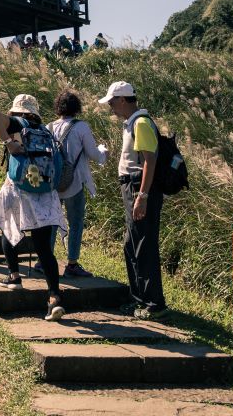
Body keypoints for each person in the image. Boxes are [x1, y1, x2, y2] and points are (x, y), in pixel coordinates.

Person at [0, 94, 67, 322]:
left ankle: (14, 276)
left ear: (17, 111)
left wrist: (8, 142)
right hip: (44, 192)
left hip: (20, 190)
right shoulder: (45, 131)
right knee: (44, 248)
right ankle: (54, 298)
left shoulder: (17, 124)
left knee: (8, 227)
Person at [100, 80, 166, 318]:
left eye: (112, 102)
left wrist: (142, 196)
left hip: (139, 187)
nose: (110, 107)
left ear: (123, 100)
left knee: (143, 245)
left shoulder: (141, 123)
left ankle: (153, 304)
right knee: (133, 245)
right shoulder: (134, 123)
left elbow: (150, 159)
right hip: (134, 188)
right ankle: (140, 299)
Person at [48, 91, 107, 277]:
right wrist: (103, 151)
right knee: (76, 223)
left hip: (53, 182)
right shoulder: (81, 127)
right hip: (74, 182)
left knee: (51, 222)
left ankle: (45, 261)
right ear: (77, 108)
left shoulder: (49, 126)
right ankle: (72, 264)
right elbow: (94, 154)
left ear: (58, 107)